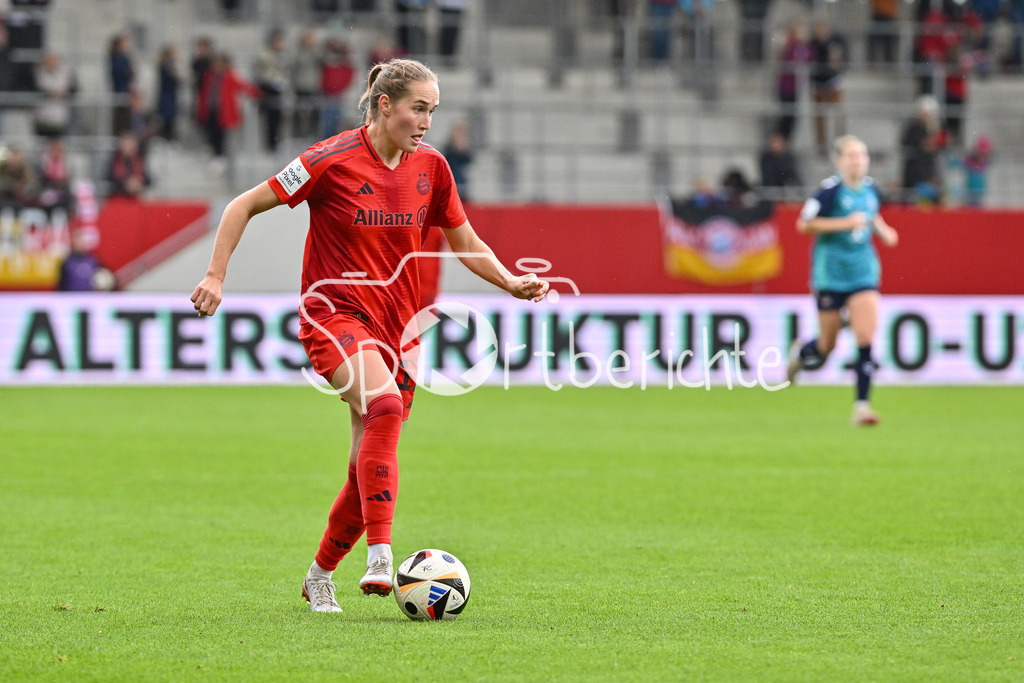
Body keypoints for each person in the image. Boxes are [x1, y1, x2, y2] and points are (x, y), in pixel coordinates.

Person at [189, 58, 550, 613]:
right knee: (383, 406)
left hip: (397, 330)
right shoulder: (328, 160)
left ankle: (319, 575)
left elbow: (466, 240)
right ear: (386, 105)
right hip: (332, 315)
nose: (427, 120)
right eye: (418, 108)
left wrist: (508, 281)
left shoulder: (432, 168)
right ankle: (382, 556)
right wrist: (216, 274)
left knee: (366, 470)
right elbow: (243, 204)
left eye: (433, 109)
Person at [787, 135, 898, 426]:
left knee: (864, 337)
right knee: (827, 345)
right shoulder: (829, 192)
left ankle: (862, 407)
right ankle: (801, 353)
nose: (857, 160)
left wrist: (883, 231)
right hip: (831, 275)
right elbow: (803, 224)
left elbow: (870, 217)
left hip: (863, 273)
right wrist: (844, 223)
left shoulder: (872, 189)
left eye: (861, 155)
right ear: (839, 161)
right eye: (851, 155)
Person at [197, 53, 261, 161]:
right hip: (210, 109)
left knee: (220, 133)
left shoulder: (229, 76)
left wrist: (257, 93)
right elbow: (204, 92)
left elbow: (242, 86)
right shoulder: (209, 76)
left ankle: (220, 155)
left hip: (223, 110)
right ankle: (215, 153)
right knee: (210, 131)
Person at [810, 20, 848, 156]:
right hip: (818, 83)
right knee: (820, 116)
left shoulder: (835, 40)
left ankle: (842, 143)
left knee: (839, 114)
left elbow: (841, 59)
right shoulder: (812, 44)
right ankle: (822, 145)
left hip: (833, 81)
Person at [254, 30, 289, 152]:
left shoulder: (282, 55)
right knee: (270, 118)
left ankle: (275, 142)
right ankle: (270, 144)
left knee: (277, 118)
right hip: (268, 88)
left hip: (278, 88)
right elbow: (266, 72)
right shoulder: (266, 55)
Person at [33, 52, 76, 138]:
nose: (51, 63)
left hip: (60, 116)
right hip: (42, 117)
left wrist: (64, 93)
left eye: (54, 60)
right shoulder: (38, 73)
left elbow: (74, 89)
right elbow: (35, 90)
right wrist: (51, 94)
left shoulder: (66, 73)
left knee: (58, 141)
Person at [758, 131, 802, 200]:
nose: (777, 145)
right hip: (770, 189)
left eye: (779, 143)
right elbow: (768, 176)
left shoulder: (788, 157)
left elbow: (793, 174)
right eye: (775, 143)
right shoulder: (766, 158)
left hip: (784, 188)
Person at [106, 134, 150, 198]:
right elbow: (109, 179)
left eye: (131, 145)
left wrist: (138, 182)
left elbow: (148, 180)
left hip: (137, 196)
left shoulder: (139, 160)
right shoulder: (114, 160)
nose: (129, 148)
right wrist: (125, 184)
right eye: (127, 145)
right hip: (118, 197)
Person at [156, 45, 182, 142]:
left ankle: (167, 136)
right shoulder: (166, 65)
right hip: (168, 95)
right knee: (167, 118)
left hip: (170, 94)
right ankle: (166, 137)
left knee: (169, 118)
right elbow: (173, 78)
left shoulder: (168, 65)